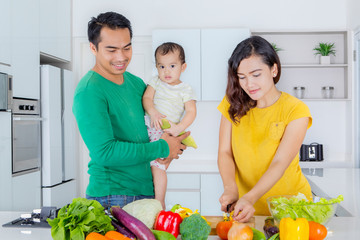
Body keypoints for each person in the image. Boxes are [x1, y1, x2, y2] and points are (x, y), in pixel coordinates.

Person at [72, 12, 189, 209]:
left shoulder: (136, 84)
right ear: (93, 48)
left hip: (146, 191)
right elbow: (105, 152)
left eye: (127, 48)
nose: (121, 57)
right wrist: (162, 147)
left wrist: (175, 145)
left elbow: (157, 128)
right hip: (113, 197)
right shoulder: (89, 91)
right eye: (111, 50)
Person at [217, 36, 312, 222]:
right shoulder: (231, 104)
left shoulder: (296, 110)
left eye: (256, 74)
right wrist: (230, 188)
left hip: (291, 209)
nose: (249, 84)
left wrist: (249, 197)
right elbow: (225, 152)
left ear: (274, 69)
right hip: (247, 210)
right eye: (241, 77)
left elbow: (280, 163)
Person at [142, 42, 197, 209]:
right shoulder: (155, 81)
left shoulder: (185, 89)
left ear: (183, 67)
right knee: (144, 162)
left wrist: (178, 128)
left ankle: (160, 201)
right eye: (162, 66)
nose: (166, 71)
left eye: (172, 66)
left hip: (167, 130)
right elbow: (147, 99)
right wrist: (152, 112)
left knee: (159, 166)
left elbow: (191, 112)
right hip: (149, 124)